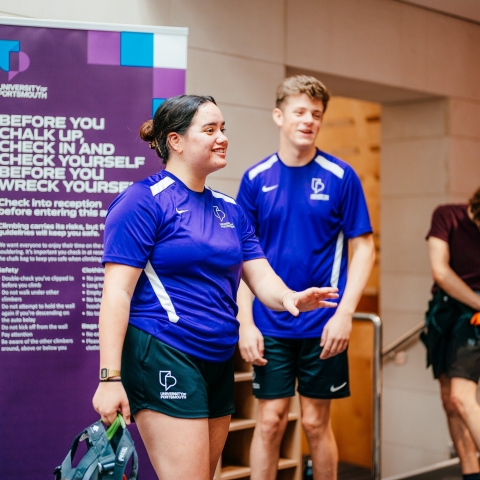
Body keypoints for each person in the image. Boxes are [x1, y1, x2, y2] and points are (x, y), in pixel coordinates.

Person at [92, 94, 340, 480]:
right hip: (164, 352)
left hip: (218, 358)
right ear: (175, 141)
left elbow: (259, 275)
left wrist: (291, 297)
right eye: (210, 130)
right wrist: (110, 378)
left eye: (223, 128)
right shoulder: (142, 202)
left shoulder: (230, 208)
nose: (222, 137)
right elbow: (116, 294)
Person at [236, 75, 375, 480]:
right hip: (270, 323)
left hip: (324, 323)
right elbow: (244, 257)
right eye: (300, 112)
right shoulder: (255, 178)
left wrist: (345, 313)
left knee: (315, 423)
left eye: (316, 114)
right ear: (279, 116)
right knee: (270, 421)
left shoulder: (340, 175)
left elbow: (363, 247)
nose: (309, 120)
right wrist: (245, 322)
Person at [422, 187, 480, 480]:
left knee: (461, 398)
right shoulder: (447, 216)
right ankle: (471, 474)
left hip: (474, 321)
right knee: (449, 401)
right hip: (446, 314)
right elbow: (440, 272)